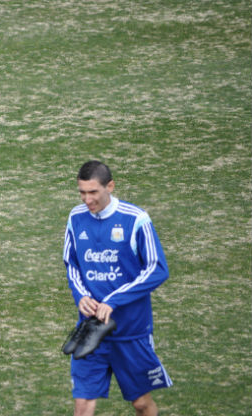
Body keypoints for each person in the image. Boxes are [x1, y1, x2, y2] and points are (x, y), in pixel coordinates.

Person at [63, 160, 173, 416]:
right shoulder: (76, 217)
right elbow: (72, 263)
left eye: (93, 192)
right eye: (82, 192)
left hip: (130, 331)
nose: (87, 199)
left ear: (110, 186)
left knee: (141, 404)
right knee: (83, 405)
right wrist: (81, 295)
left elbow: (157, 269)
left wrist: (113, 300)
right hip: (90, 332)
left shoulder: (136, 219)